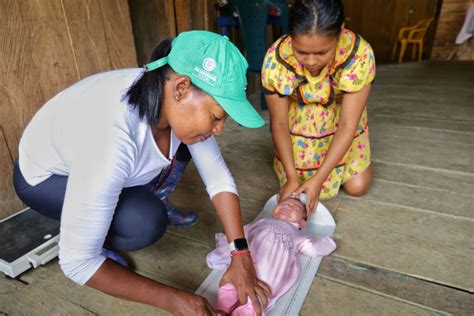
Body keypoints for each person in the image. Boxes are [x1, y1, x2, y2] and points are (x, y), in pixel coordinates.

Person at [13, 31, 271, 315]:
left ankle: (109, 205)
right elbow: (76, 263)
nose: (220, 128)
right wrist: (178, 301)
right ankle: (88, 230)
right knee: (145, 222)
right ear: (182, 88)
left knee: (193, 140)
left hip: (103, 168)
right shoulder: (111, 139)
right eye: (216, 116)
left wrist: (241, 253)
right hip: (44, 179)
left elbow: (218, 177)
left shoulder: (167, 92)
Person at [261, 0, 376, 218]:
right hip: (299, 121)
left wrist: (319, 179)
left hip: (341, 119)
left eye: (322, 52)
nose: (311, 61)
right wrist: (292, 176)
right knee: (294, 184)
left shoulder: (358, 55)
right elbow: (279, 123)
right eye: (301, 51)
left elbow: (347, 124)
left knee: (358, 187)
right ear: (291, 36)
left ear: (341, 31)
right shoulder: (277, 60)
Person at [206, 196, 336, 315]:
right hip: (248, 259)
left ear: (303, 223)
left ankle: (246, 312)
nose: (287, 206)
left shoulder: (297, 235)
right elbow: (242, 233)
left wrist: (329, 243)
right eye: (283, 204)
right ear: (273, 211)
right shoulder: (262, 221)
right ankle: (221, 309)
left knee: (262, 292)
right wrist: (222, 251)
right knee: (231, 286)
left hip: (271, 267)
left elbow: (311, 247)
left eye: (295, 207)